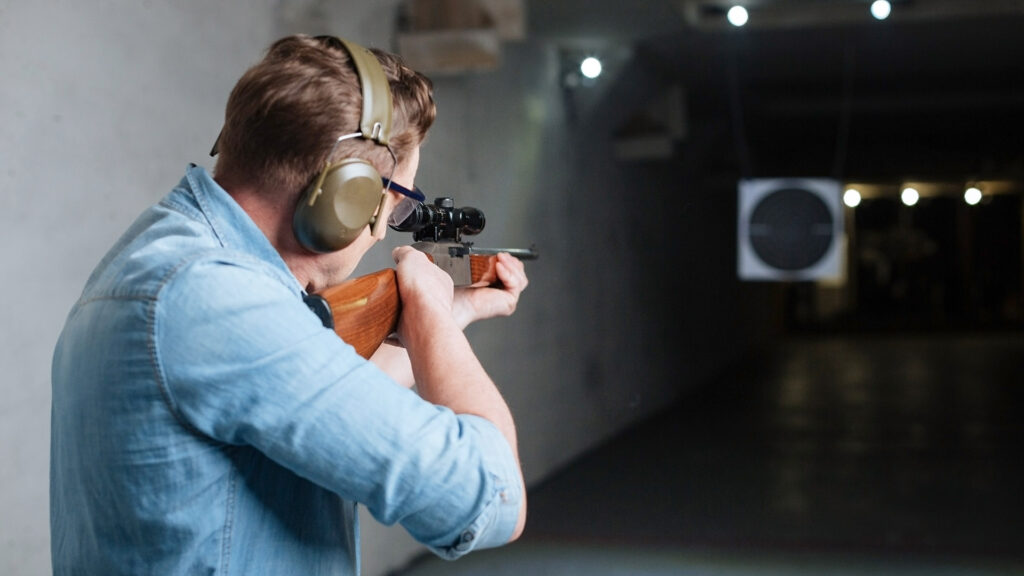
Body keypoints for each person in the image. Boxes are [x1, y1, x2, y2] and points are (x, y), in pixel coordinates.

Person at [50, 34, 528, 575]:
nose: (379, 234)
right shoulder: (217, 300)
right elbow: (489, 498)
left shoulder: (167, 261)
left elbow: (320, 398)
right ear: (350, 197)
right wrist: (432, 316)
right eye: (396, 204)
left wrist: (452, 312)